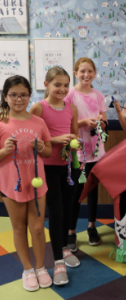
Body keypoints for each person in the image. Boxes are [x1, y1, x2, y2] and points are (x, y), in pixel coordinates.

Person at [0, 75, 52, 291]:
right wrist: (5, 151)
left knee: (38, 228)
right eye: (13, 95)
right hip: (11, 184)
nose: (18, 99)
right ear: (5, 96)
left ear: (29, 96)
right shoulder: (1, 122)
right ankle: (27, 269)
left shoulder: (38, 122)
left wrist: (40, 147)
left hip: (37, 184)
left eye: (23, 95)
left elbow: (48, 152)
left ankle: (41, 267)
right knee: (19, 228)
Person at [30, 67, 80, 285]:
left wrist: (74, 146)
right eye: (57, 84)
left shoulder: (72, 108)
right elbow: (34, 139)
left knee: (68, 209)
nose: (62, 89)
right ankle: (58, 262)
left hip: (69, 167)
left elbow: (75, 134)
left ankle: (63, 248)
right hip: (47, 168)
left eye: (66, 85)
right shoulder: (38, 107)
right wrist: (57, 140)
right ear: (46, 84)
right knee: (57, 211)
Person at [63, 57, 108, 251]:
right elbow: (64, 121)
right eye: (82, 71)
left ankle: (91, 226)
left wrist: (100, 121)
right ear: (75, 73)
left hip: (96, 152)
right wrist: (83, 123)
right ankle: (71, 231)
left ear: (95, 74)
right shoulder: (70, 95)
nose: (86, 75)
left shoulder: (98, 95)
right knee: (76, 193)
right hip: (77, 153)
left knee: (92, 191)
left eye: (90, 71)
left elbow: (105, 122)